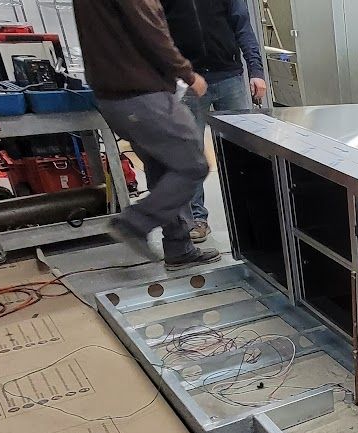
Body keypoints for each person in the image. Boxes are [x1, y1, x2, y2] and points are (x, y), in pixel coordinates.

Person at [74, 0, 221, 269]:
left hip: (115, 96)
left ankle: (179, 249)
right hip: (141, 94)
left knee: (163, 168)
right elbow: (150, 28)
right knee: (192, 165)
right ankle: (134, 223)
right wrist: (187, 74)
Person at [163, 0, 269, 242]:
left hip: (230, 78)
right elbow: (160, 37)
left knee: (243, 151)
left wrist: (256, 71)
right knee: (190, 154)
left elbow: (243, 28)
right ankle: (197, 219)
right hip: (189, 83)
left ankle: (251, 215)